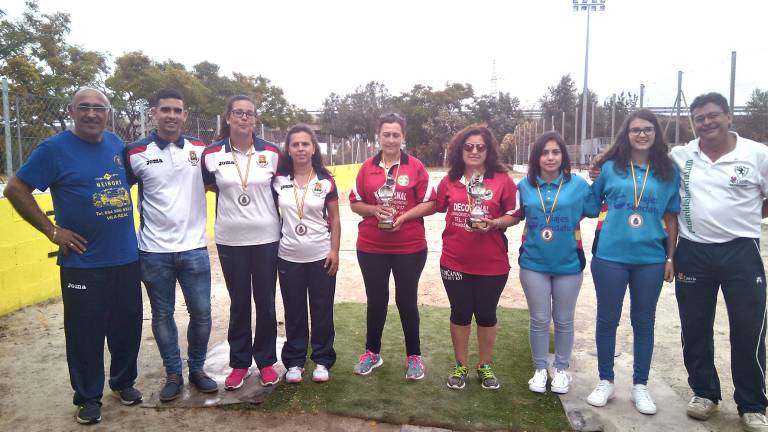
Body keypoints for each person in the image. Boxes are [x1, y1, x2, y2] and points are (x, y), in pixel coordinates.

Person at [3, 88, 142, 425]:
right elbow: (15, 189)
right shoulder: (53, 149)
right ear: (71, 111)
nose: (92, 114)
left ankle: (123, 382)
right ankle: (88, 397)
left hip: (125, 257)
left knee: (127, 326)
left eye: (99, 108)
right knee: (85, 333)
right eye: (85, 108)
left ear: (108, 112)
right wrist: (53, 232)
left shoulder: (116, 146)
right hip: (83, 263)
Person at [671, 92, 768, 432]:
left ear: (728, 117)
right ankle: (704, 392)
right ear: (693, 123)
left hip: (741, 251)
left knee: (749, 328)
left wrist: (747, 218)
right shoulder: (681, 155)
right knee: (695, 326)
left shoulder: (757, 154)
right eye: (700, 118)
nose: (707, 122)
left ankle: (753, 403)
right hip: (693, 251)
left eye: (713, 115)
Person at [125, 88, 217, 401]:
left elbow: (218, 181)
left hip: (194, 248)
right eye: (165, 110)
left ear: (185, 115)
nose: (171, 116)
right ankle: (173, 374)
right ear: (154, 112)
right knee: (162, 315)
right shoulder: (134, 152)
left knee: (202, 314)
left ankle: (198, 370)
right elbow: (115, 191)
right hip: (153, 252)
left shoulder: (201, 148)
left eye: (177, 111)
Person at [586, 109, 680, 415]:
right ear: (626, 134)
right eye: (635, 130)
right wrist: (591, 175)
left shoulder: (668, 170)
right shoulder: (611, 168)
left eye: (647, 129)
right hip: (610, 256)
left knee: (644, 321)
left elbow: (671, 217)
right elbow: (589, 202)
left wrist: (670, 257)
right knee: (607, 320)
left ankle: (640, 385)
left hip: (650, 258)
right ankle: (605, 380)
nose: (641, 134)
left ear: (656, 133)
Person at [509, 131, 599, 395]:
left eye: (555, 152)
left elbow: (592, 209)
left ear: (563, 156)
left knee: (563, 319)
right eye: (544, 152)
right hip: (533, 262)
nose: (550, 157)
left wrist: (599, 177)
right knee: (538, 318)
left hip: (569, 264)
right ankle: (539, 369)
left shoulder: (578, 185)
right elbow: (514, 214)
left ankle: (560, 370)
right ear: (536, 157)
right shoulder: (525, 185)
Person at [201, 95, 281, 389]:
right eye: (238, 113)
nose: (244, 118)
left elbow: (282, 187)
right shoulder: (211, 154)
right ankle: (239, 363)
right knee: (239, 304)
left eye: (249, 114)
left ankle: (267, 362)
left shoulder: (272, 152)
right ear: (228, 117)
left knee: (265, 302)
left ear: (255, 120)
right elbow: (210, 185)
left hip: (267, 238)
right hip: (230, 239)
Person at [349, 112, 435, 380]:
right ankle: (372, 353)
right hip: (371, 246)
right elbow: (355, 202)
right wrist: (375, 210)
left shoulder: (416, 167)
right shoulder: (366, 167)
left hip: (409, 246)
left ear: (403, 137)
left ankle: (414, 357)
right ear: (379, 135)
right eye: (386, 134)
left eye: (395, 134)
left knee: (406, 300)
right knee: (376, 300)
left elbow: (431, 203)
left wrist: (404, 217)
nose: (390, 139)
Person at [435, 125, 517, 390]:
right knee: (459, 313)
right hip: (454, 261)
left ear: (488, 150)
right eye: (468, 146)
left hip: (491, 263)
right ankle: (460, 365)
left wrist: (494, 223)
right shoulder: (449, 180)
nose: (473, 151)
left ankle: (484, 365)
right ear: (460, 150)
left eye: (480, 147)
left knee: (486, 314)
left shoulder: (502, 180)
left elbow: (515, 214)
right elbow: (434, 205)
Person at [273, 124, 341, 384]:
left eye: (305, 144)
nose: (300, 148)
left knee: (322, 309)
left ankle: (323, 359)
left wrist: (334, 250)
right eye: (295, 144)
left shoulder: (325, 180)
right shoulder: (278, 180)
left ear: (314, 148)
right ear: (288, 150)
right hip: (288, 256)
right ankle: (295, 361)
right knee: (294, 310)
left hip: (321, 255)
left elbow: (334, 219)